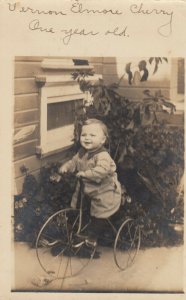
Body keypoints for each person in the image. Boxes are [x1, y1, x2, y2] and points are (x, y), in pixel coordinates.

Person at [59, 118, 122, 257]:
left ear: (102, 140)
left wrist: (85, 173)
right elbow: (74, 162)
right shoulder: (82, 152)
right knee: (79, 209)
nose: (87, 138)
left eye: (92, 135)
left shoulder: (102, 156)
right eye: (84, 135)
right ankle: (74, 233)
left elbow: (102, 170)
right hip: (87, 189)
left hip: (104, 191)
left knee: (99, 214)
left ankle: (91, 241)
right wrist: (67, 167)